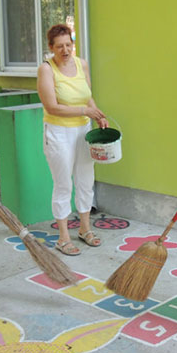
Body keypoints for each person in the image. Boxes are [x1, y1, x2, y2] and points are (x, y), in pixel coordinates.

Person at [37, 24, 109, 256]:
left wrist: (97, 114)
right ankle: (63, 236)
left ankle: (85, 229)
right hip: (58, 132)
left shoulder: (81, 64)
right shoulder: (46, 70)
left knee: (86, 180)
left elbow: (88, 97)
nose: (65, 50)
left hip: (83, 131)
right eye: (60, 47)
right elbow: (52, 106)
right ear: (51, 48)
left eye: (69, 45)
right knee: (63, 184)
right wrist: (84, 111)